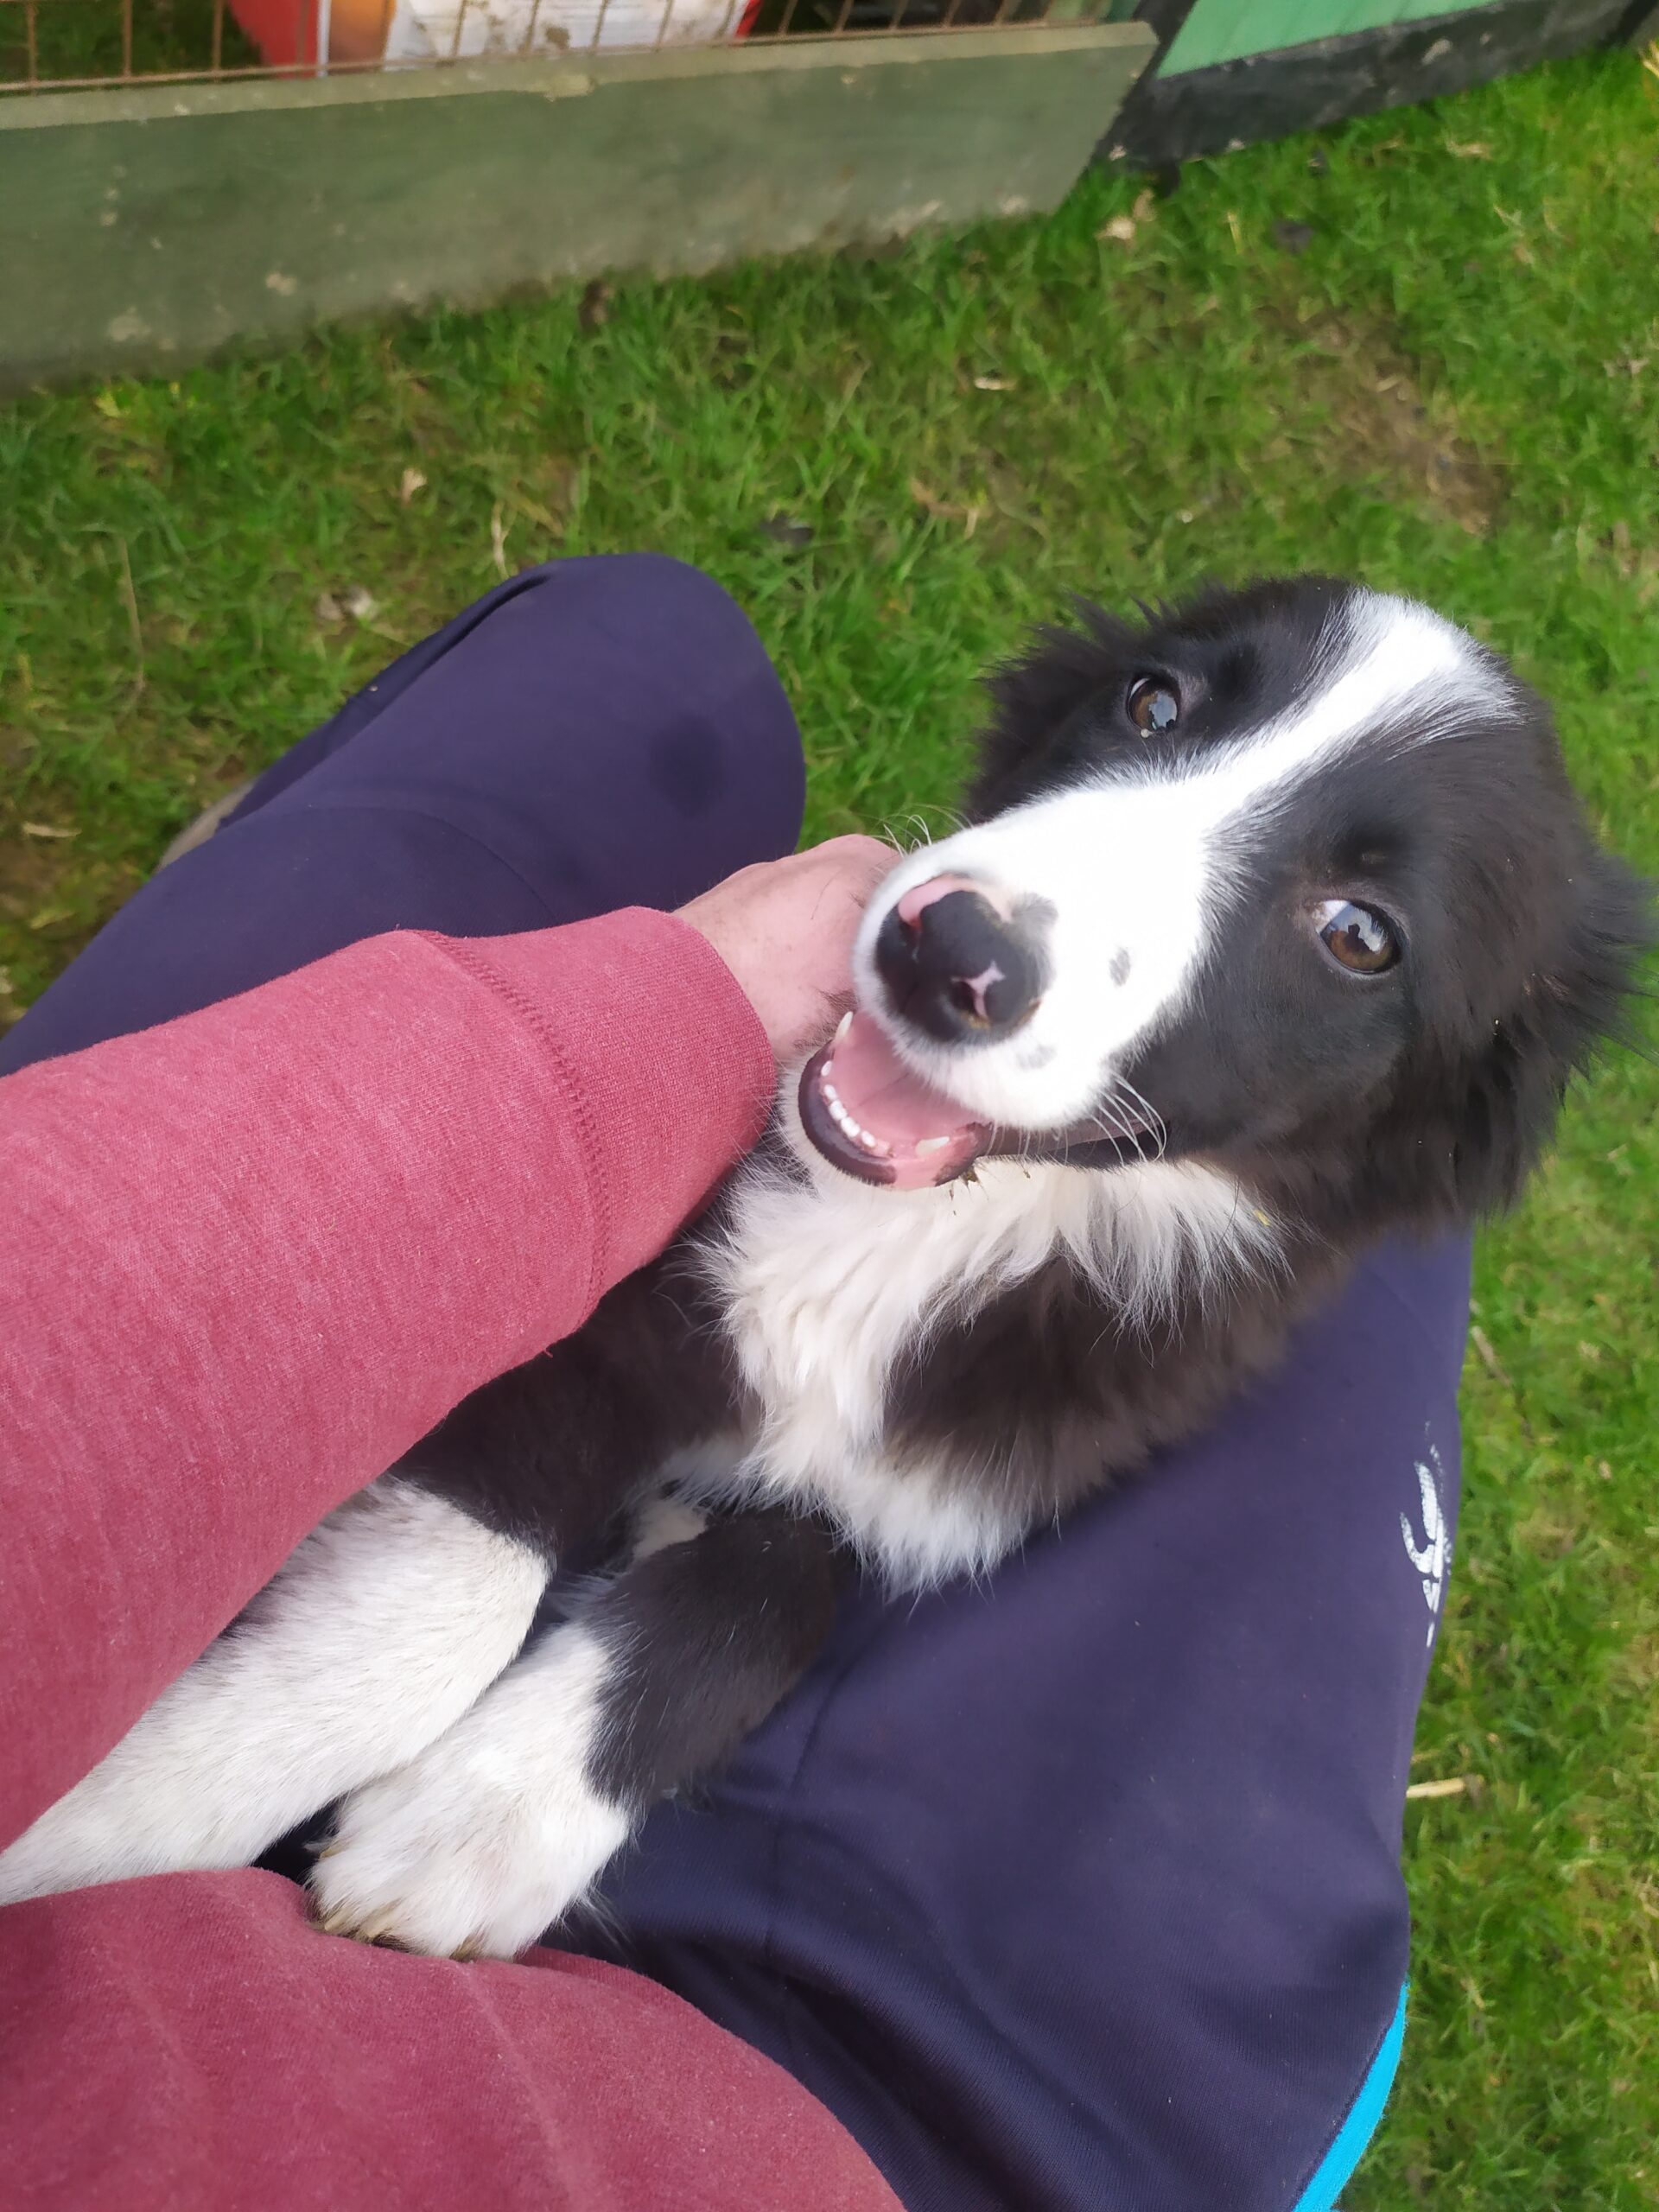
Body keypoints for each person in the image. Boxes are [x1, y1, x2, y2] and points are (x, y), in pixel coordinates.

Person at [0, 556, 1468, 2212]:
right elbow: (631, 1380)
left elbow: (788, 1488)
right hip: (943, 2125)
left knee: (643, 648)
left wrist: (593, 1735)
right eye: (1159, 705)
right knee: (1380, 1342)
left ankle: (283, 849)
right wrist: (354, 1688)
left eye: (1357, 933)